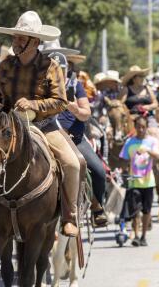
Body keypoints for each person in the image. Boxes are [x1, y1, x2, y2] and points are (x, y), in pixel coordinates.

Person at [0, 11, 84, 237]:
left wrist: (33, 104)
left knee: (74, 163)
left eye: (22, 38)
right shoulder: (4, 66)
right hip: (7, 128)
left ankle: (69, 216)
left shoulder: (51, 66)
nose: (16, 42)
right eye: (15, 37)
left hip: (43, 126)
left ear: (36, 42)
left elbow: (60, 102)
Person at [43, 41, 109, 228]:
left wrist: (71, 106)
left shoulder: (75, 84)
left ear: (66, 68)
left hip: (75, 138)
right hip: (48, 135)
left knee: (98, 171)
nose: (57, 73)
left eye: (60, 69)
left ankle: (97, 206)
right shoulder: (40, 85)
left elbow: (86, 113)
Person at [119, 115, 159, 246]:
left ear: (147, 127)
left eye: (143, 127)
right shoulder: (129, 142)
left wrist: (147, 150)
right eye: (138, 127)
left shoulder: (152, 141)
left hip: (148, 182)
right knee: (135, 211)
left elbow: (157, 156)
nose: (141, 129)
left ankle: (143, 236)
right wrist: (122, 170)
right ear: (135, 127)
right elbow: (124, 159)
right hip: (133, 181)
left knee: (146, 211)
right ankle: (136, 236)